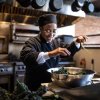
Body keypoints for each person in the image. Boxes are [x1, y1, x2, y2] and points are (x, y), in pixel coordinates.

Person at [20, 14, 86, 91]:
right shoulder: (32, 42)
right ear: (41, 29)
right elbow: (26, 56)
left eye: (54, 31)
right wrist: (52, 53)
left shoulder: (56, 42)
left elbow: (68, 50)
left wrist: (77, 42)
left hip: (51, 84)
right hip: (34, 86)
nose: (51, 34)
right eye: (48, 30)